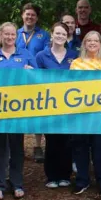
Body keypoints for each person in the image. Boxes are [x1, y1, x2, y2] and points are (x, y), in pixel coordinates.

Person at [0, 22, 36, 200]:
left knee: (16, 148)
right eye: (6, 34)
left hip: (18, 110)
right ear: (1, 35)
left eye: (13, 35)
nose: (10, 37)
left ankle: (17, 183)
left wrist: (32, 72)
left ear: (16, 36)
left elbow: (39, 78)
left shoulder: (25, 55)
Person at [70, 31, 101, 196]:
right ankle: (82, 180)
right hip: (80, 112)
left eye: (96, 40)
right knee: (80, 148)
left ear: (100, 44)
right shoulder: (76, 63)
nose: (93, 43)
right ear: (84, 43)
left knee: (99, 149)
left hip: (99, 113)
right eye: (89, 40)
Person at [36, 22, 77, 189]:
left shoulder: (74, 55)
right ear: (51, 35)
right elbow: (35, 79)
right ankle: (51, 176)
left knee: (67, 141)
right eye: (57, 33)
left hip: (69, 105)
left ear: (67, 37)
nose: (60, 36)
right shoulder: (41, 56)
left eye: (63, 34)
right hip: (49, 104)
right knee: (52, 140)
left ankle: (65, 175)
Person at [15, 3, 51, 163]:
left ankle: (37, 146)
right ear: (22, 15)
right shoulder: (15, 34)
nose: (30, 17)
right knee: (18, 109)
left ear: (37, 18)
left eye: (33, 15)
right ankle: (18, 146)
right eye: (27, 14)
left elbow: (45, 54)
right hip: (18, 79)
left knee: (37, 111)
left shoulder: (43, 35)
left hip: (37, 77)